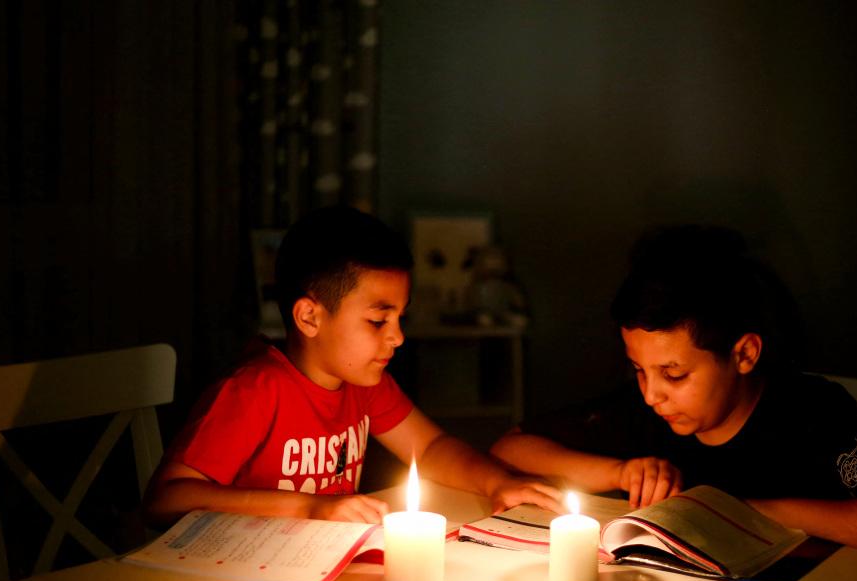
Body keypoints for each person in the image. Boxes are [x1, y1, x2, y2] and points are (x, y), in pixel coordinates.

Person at [491, 225, 857, 556]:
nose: (651, 394)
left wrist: (744, 511)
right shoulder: (650, 412)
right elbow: (510, 447)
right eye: (638, 370)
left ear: (744, 355)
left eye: (674, 373)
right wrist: (621, 472)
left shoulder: (811, 411)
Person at [144, 206, 562, 528]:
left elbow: (431, 449)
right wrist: (310, 506)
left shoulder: (364, 381)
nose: (397, 337)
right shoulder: (255, 390)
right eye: (379, 320)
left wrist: (497, 482)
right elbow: (166, 500)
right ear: (309, 317)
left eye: (400, 318)